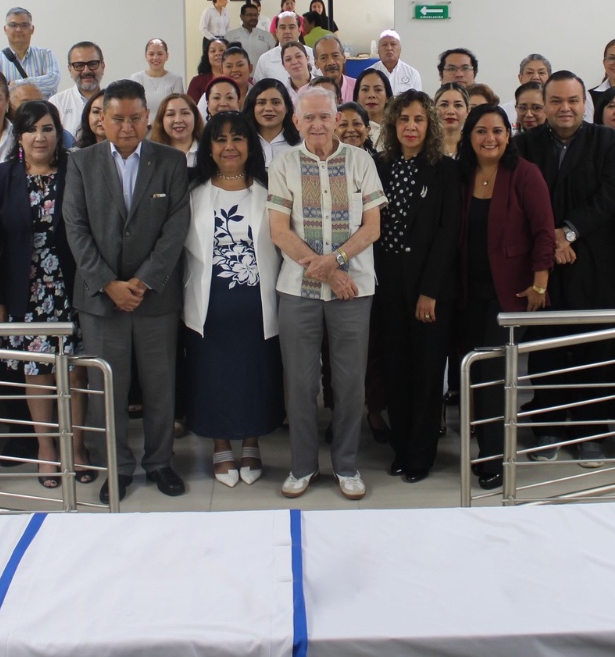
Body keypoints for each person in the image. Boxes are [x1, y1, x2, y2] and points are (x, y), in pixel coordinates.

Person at [62, 79, 192, 503]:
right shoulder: (81, 162)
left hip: (154, 296)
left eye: (135, 118)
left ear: (147, 117)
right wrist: (108, 283)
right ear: (102, 119)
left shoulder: (170, 160)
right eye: (117, 118)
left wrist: (142, 281)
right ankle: (116, 468)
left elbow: (176, 226)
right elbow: (75, 227)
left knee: (160, 386)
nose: (126, 126)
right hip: (101, 300)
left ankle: (160, 462)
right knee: (107, 389)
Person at [267, 86, 387, 500]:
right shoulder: (283, 163)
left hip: (354, 289)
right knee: (300, 384)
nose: (317, 124)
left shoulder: (361, 161)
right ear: (296, 122)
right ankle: (302, 466)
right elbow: (279, 230)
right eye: (309, 117)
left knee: (350, 382)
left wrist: (335, 262)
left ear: (337, 119)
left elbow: (372, 227)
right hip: (297, 290)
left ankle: (347, 465)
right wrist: (329, 271)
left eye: (324, 116)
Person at [515, 71, 615, 464]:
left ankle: (590, 432)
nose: (565, 108)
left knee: (595, 348)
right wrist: (552, 240)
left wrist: (569, 232)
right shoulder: (524, 145)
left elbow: (611, 194)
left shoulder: (609, 141)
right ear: (545, 104)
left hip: (596, 265)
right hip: (544, 265)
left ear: (586, 103)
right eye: (556, 101)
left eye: (573, 100)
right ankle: (547, 427)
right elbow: (521, 199)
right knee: (546, 348)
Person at [0, 102, 88, 490]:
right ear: (19, 136)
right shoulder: (0, 177)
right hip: (24, 290)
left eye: (47, 129)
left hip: (72, 287)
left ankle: (77, 447)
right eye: (31, 130)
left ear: (58, 133)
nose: (39, 137)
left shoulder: (77, 170)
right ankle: (46, 448)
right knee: (37, 371)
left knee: (74, 370)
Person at [183, 112, 285, 488]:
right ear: (209, 147)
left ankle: (252, 442)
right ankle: (221, 444)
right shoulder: (192, 193)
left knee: (255, 374)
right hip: (209, 305)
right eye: (221, 139)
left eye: (238, 138)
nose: (230, 146)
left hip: (258, 304)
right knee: (213, 375)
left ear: (250, 145)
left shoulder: (270, 189)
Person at [457, 103, 555, 491]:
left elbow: (544, 231)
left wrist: (540, 283)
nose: (490, 138)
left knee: (494, 376)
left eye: (497, 130)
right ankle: (482, 447)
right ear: (469, 136)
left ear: (508, 134)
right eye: (481, 131)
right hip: (467, 291)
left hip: (509, 293)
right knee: (474, 375)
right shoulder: (462, 173)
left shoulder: (524, 174)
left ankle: (494, 459)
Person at [375, 91, 460, 483]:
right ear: (393, 124)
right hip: (387, 282)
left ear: (431, 125)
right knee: (395, 369)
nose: (410, 126)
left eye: (419, 119)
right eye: (404, 119)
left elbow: (447, 233)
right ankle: (401, 448)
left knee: (426, 374)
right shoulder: (381, 166)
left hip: (429, 287)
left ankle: (421, 456)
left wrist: (430, 291)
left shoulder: (445, 169)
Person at [0, 7, 61, 97]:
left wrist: (14, 84)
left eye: (24, 25)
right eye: (13, 25)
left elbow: (52, 82)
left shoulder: (46, 55)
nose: (18, 29)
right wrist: (38, 83)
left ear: (32, 29)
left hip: (41, 107)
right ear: (5, 29)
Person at [52, 41, 107, 133]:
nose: (86, 71)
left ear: (103, 67)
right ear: (70, 69)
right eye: (79, 65)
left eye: (92, 64)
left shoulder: (113, 100)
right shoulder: (57, 103)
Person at [244, 78, 300, 166]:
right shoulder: (242, 143)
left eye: (276, 103)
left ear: (287, 108)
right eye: (261, 103)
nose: (268, 108)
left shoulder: (301, 144)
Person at [129, 38, 184, 111]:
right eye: (151, 54)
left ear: (167, 56)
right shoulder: (136, 79)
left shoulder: (176, 80)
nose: (155, 58)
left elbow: (177, 108)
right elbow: (132, 108)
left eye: (160, 54)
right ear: (146, 56)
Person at [149, 92, 201, 167]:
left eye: (185, 113)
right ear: (161, 120)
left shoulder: (209, 151)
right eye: (170, 114)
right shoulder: (151, 155)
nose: (178, 120)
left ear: (195, 117)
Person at [254, 13, 305, 85]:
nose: (287, 31)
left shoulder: (312, 55)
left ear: (299, 30)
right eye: (283, 27)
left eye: (291, 27)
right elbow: (259, 88)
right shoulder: (265, 59)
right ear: (276, 31)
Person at [371, 30, 424, 94]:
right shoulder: (369, 73)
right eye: (384, 44)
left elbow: (418, 99)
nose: (389, 48)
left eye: (393, 44)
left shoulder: (412, 74)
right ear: (378, 51)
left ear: (400, 49)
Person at [224, 0, 275, 65]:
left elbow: (273, 56)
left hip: (262, 71)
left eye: (255, 15)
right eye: (249, 15)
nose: (253, 17)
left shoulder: (267, 36)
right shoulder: (230, 36)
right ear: (241, 17)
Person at [314, 35, 357, 102]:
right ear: (316, 63)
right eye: (324, 58)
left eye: (335, 56)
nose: (331, 62)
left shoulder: (357, 88)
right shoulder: (307, 92)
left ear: (344, 58)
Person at [434, 83, 470, 158]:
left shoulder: (474, 148)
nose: (450, 111)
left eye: (458, 105)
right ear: (434, 109)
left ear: (467, 111)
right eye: (444, 105)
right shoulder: (424, 148)